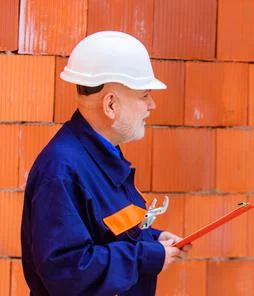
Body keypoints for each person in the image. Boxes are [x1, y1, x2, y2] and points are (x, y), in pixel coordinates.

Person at [21, 31, 190, 295]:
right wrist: (145, 256)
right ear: (110, 104)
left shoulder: (100, 158)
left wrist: (153, 239)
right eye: (144, 95)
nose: (152, 105)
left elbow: (109, 233)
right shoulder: (61, 170)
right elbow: (67, 269)